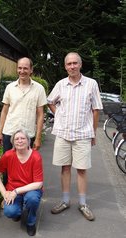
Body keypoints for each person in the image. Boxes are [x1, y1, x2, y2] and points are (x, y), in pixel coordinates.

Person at [47, 52, 103, 221]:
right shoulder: (61, 85)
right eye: (69, 64)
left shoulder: (91, 84)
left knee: (81, 169)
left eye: (75, 63)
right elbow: (50, 101)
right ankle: (65, 201)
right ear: (65, 66)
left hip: (82, 134)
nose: (72, 66)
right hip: (63, 133)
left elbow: (96, 110)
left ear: (80, 64)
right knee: (64, 167)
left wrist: (93, 132)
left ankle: (83, 203)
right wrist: (59, 116)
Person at [0, 57, 47, 184]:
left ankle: (24, 194)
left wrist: (38, 138)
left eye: (25, 68)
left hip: (27, 134)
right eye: (20, 68)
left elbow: (40, 114)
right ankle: (6, 194)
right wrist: (0, 132)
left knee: (26, 165)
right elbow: (4, 110)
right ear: (17, 69)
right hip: (10, 132)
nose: (22, 71)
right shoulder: (10, 87)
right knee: (7, 164)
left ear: (31, 70)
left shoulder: (39, 89)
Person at [0, 129, 43, 236]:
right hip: (13, 189)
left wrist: (16, 191)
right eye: (17, 139)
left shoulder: (36, 156)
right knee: (10, 212)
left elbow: (38, 183)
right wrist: (4, 192)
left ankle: (31, 222)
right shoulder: (8, 155)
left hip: (31, 190)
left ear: (28, 141)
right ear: (13, 142)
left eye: (23, 138)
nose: (20, 141)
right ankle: (17, 212)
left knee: (32, 199)